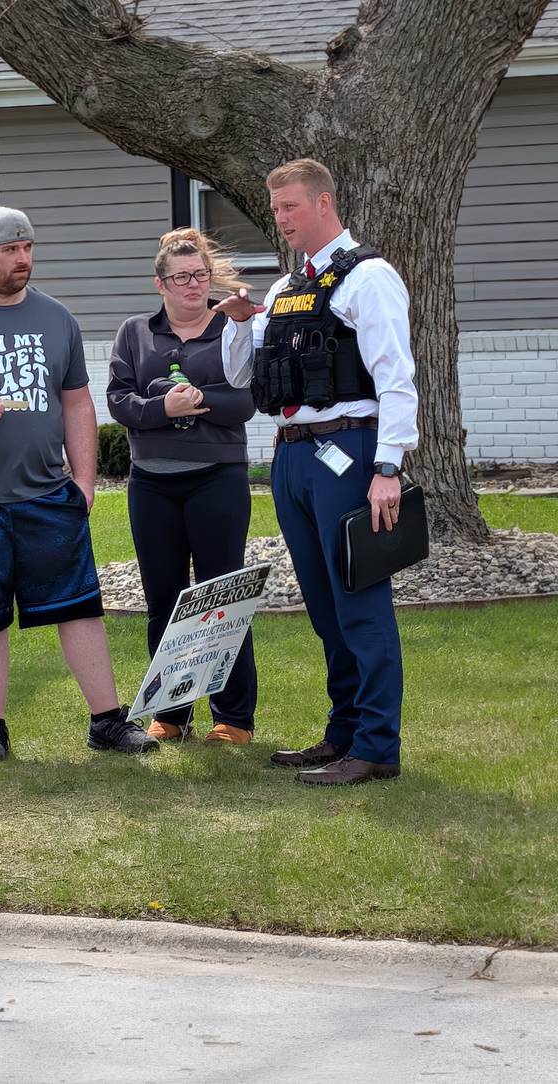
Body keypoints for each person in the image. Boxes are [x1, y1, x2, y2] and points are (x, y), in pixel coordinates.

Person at [0, 206, 157, 761]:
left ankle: (107, 721)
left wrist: (84, 481)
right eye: (11, 250)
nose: (23, 259)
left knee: (80, 607)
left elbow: (76, 403)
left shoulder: (56, 318)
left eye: (28, 248)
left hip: (47, 494)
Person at [216, 158, 419, 786]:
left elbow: (397, 379)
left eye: (290, 208)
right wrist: (238, 325)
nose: (281, 221)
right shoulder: (285, 289)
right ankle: (344, 733)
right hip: (293, 455)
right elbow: (243, 377)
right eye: (275, 210)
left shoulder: (370, 277)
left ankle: (378, 746)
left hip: (350, 452)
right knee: (325, 604)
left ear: (324, 202)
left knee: (360, 601)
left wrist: (388, 467)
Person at [108, 228, 259, 744]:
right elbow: (119, 401)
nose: (193, 285)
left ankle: (233, 718)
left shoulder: (231, 329)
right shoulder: (135, 332)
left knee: (221, 595)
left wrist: (195, 400)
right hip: (152, 483)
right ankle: (171, 714)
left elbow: (246, 401)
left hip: (218, 477)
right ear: (161, 283)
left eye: (200, 275)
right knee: (163, 599)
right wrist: (160, 408)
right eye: (181, 277)